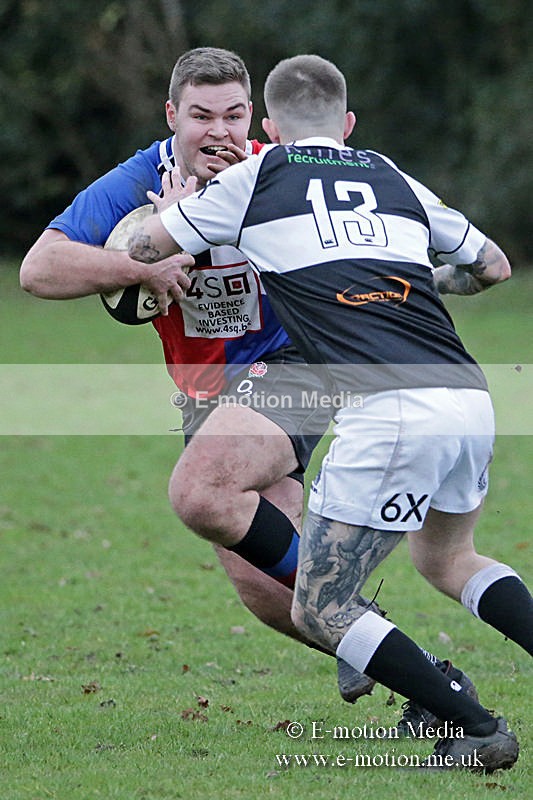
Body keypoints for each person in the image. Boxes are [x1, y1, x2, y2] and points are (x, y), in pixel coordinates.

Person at [21, 47, 481, 726]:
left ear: (254, 118)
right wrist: (139, 265)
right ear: (172, 115)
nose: (219, 131)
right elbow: (40, 269)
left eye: (234, 114)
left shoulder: (277, 172)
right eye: (201, 115)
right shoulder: (140, 179)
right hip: (207, 391)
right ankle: (428, 684)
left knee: (205, 492)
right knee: (264, 588)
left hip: (302, 363)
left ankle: (363, 619)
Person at [128, 54, 531, 771]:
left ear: (268, 126)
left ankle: (474, 727)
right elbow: (492, 265)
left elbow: (145, 250)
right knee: (448, 559)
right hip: (466, 395)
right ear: (347, 124)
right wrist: (410, 283)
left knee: (322, 606)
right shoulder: (390, 174)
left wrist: (162, 219)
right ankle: (469, 715)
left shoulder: (258, 176)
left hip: (390, 410)